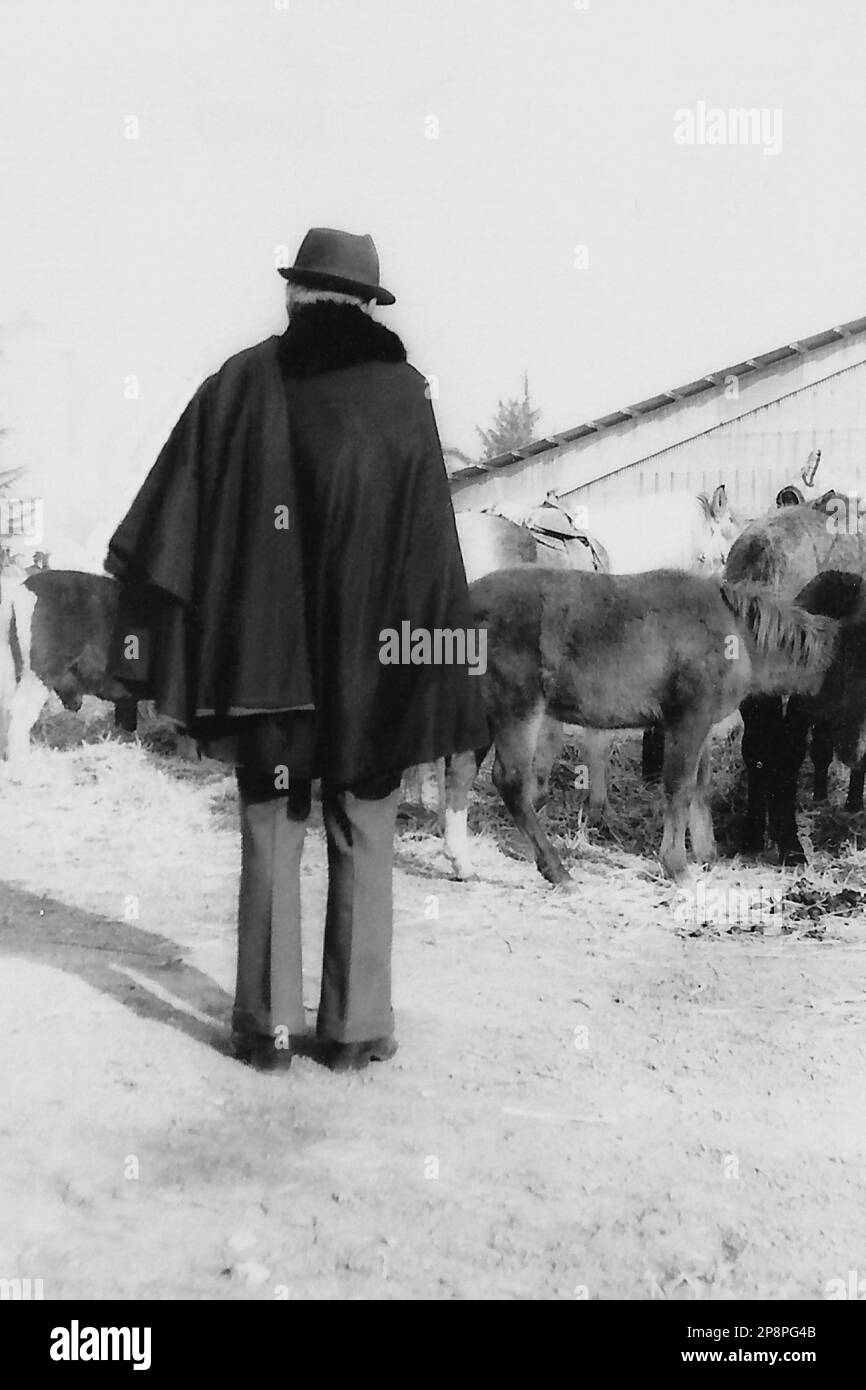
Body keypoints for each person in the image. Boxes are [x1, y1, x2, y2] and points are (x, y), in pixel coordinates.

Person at [106, 227, 488, 1072]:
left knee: (272, 833)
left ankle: (267, 1029)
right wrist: (443, 673)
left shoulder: (239, 384)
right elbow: (431, 556)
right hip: (372, 671)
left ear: (294, 296)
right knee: (365, 827)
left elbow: (169, 528)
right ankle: (354, 1031)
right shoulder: (404, 396)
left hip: (263, 674)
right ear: (365, 305)